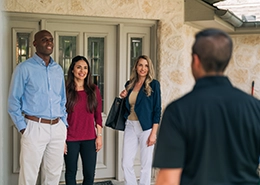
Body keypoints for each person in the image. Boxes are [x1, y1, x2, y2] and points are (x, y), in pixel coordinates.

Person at [153, 28, 260, 185]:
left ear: (196, 60)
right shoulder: (255, 108)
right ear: (227, 61)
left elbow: (168, 180)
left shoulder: (178, 111)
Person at [8, 30, 68, 185]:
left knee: (54, 174)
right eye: (44, 39)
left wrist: (64, 125)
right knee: (28, 175)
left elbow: (62, 100)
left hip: (57, 128)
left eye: (51, 40)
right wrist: (24, 129)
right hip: (34, 127)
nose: (48, 43)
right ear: (35, 43)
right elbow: (13, 102)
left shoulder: (58, 69)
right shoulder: (24, 68)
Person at [120, 55, 161, 185]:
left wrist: (153, 133)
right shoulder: (129, 84)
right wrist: (123, 97)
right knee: (126, 162)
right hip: (130, 126)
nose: (143, 68)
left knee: (145, 165)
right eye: (140, 65)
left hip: (146, 127)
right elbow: (128, 106)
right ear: (136, 67)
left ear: (149, 68)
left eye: (146, 65)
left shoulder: (154, 84)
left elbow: (157, 110)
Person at [64, 55, 103, 185]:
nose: (82, 71)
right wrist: (62, 140)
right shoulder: (65, 90)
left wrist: (99, 136)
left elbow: (98, 115)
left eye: (85, 68)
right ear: (72, 70)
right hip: (70, 139)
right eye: (79, 67)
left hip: (89, 138)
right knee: (70, 173)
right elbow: (61, 117)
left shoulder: (93, 90)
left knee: (89, 173)